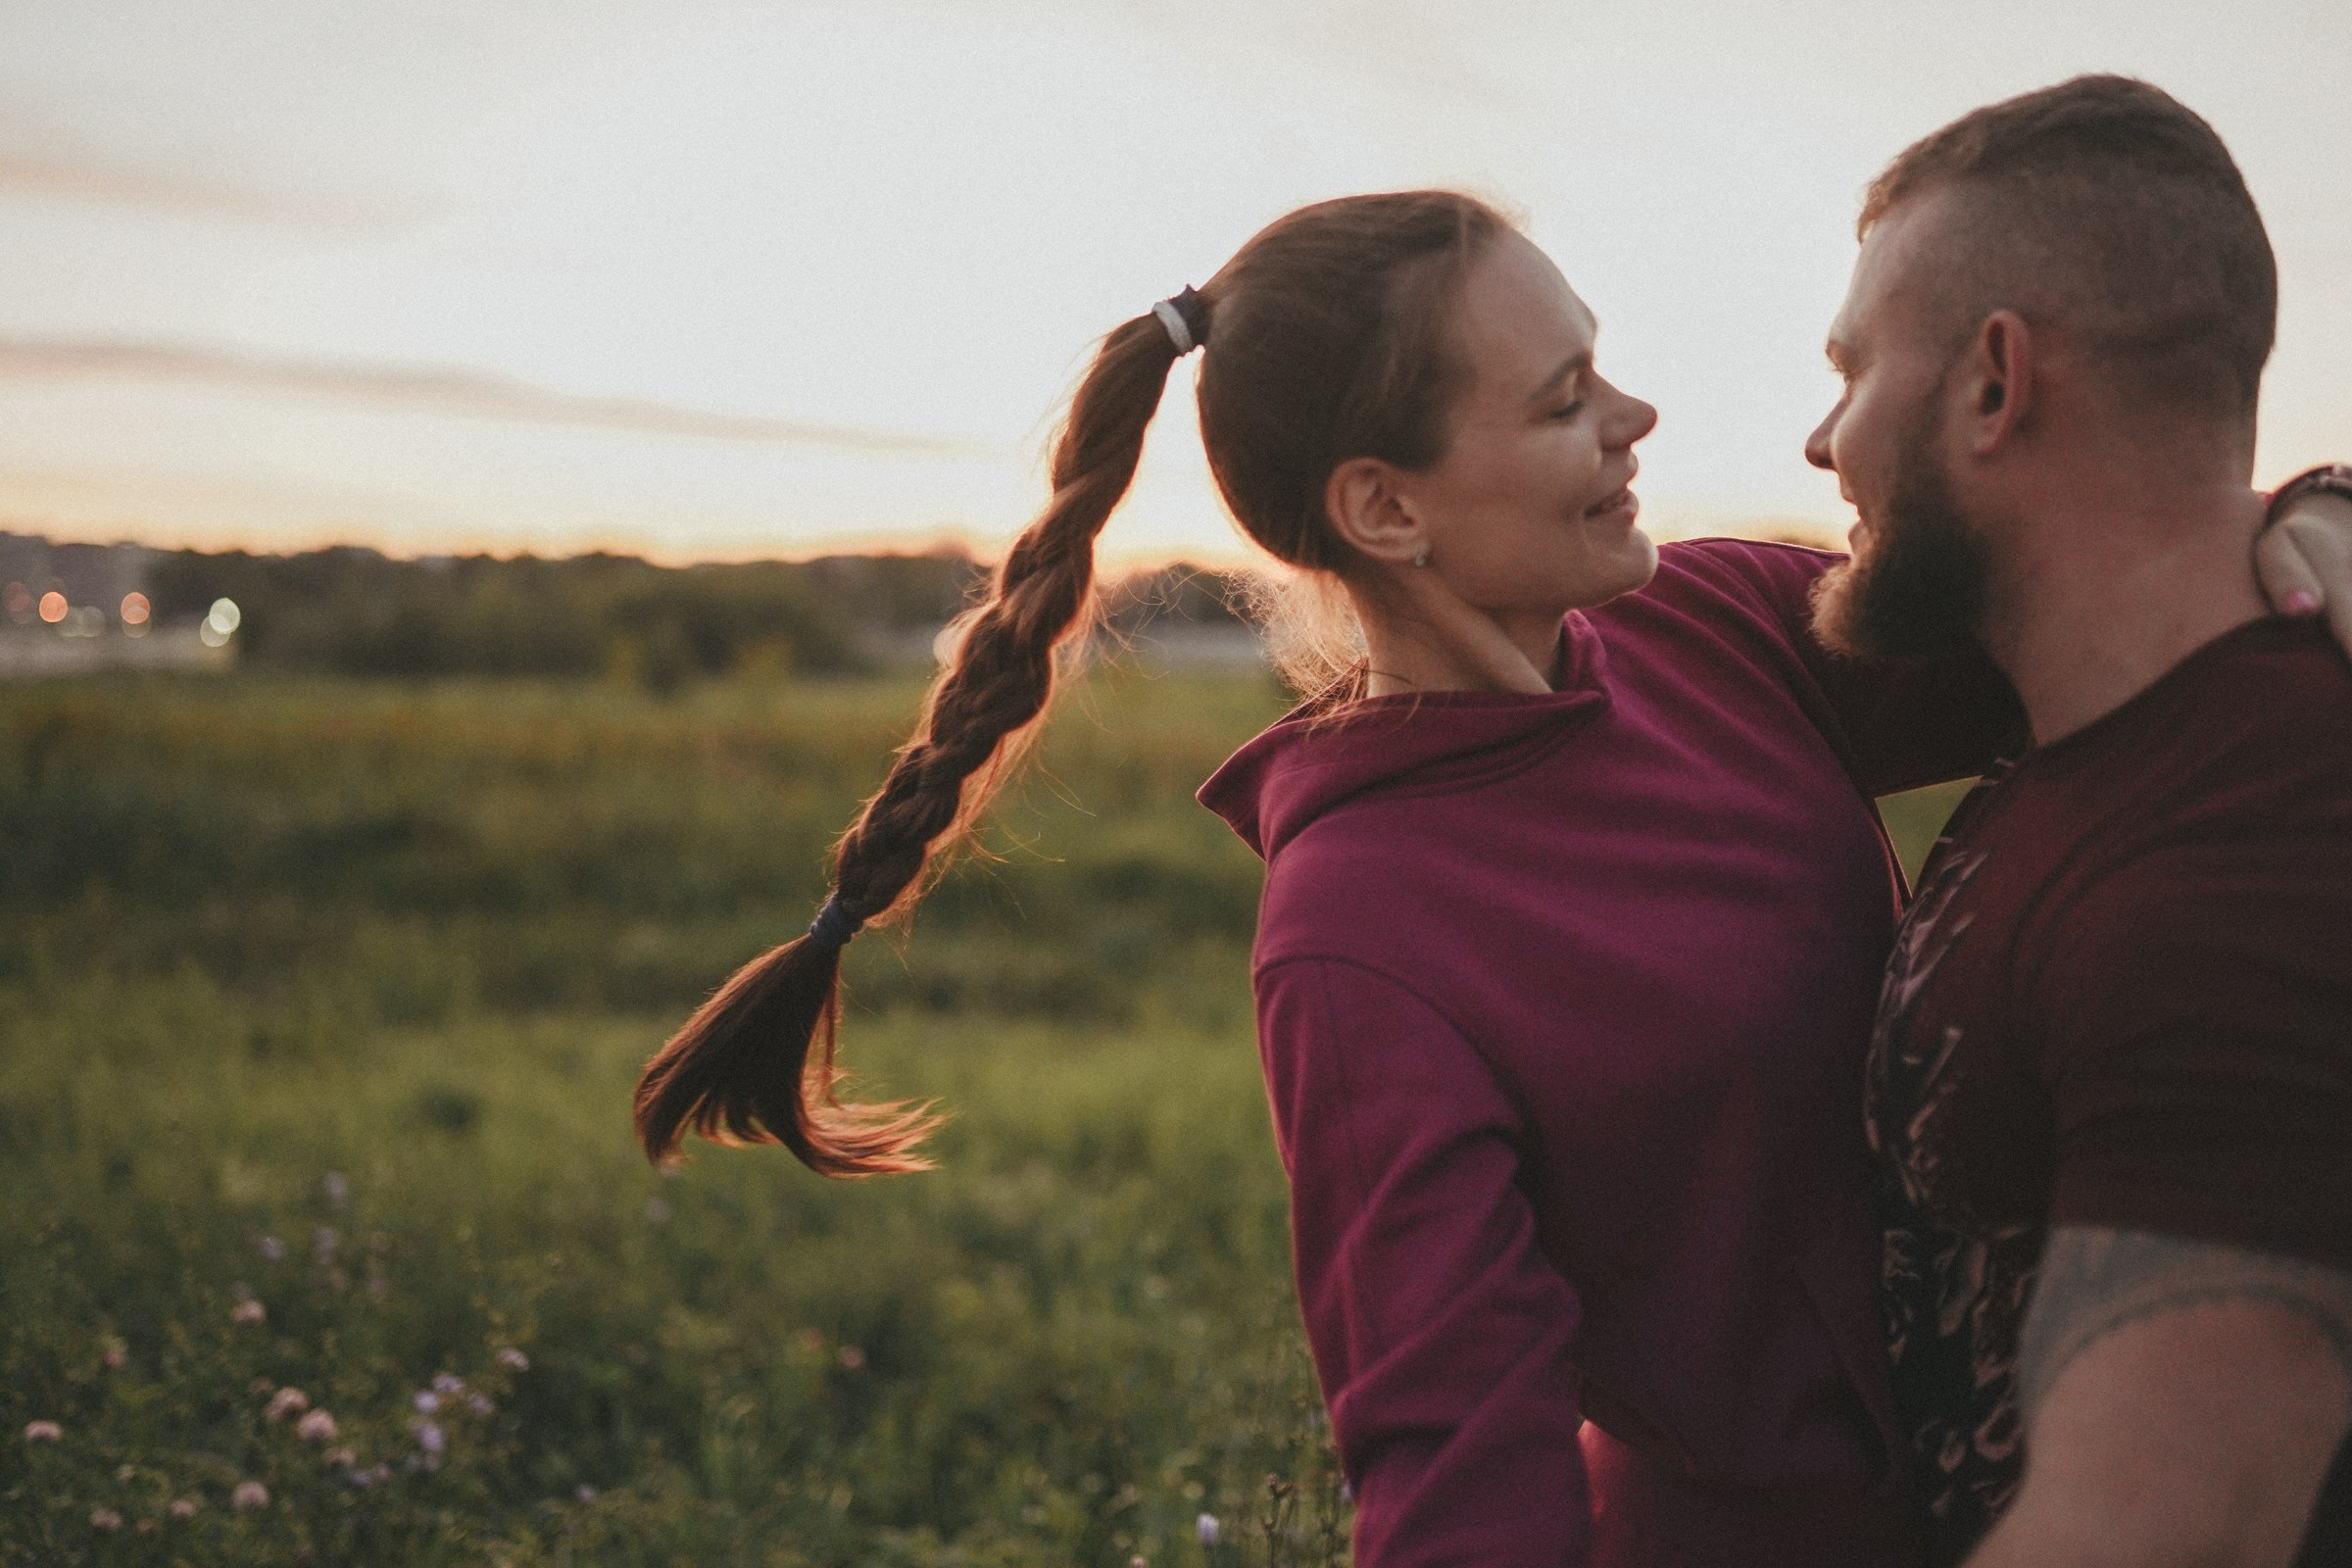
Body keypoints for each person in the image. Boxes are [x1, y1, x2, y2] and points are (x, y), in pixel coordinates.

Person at [633, 188, 2352, 1564]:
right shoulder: (1356, 938)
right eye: (1563, 400)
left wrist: (2306, 512)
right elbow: (1453, 1457)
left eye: (1601, 368)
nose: (1637, 417)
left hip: (2067, 1480)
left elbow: (2104, 623)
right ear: (1387, 510)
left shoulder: (1716, 623)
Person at [1803, 75, 2352, 1568]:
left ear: (1996, 383)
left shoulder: (2252, 859)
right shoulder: (2082, 725)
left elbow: (2175, 1529)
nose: (1821, 440)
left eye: (1853, 370)